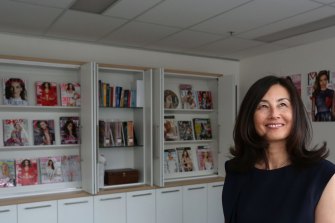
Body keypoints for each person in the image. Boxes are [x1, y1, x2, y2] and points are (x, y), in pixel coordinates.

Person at [222, 75, 335, 223]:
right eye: (263, 106)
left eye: (282, 105)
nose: (274, 114)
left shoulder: (323, 175)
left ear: (295, 113)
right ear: (250, 116)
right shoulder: (235, 170)